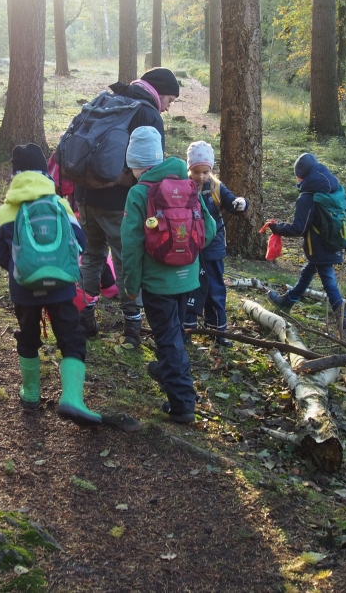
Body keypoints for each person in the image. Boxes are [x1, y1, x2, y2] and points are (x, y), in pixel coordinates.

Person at [0, 144, 102, 427]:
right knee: (71, 338)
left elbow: (1, 255)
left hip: (23, 291)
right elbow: (82, 243)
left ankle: (30, 394)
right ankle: (72, 399)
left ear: (15, 174)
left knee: (28, 337)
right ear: (45, 172)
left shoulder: (6, 210)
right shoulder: (60, 204)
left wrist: (22, 271)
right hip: (62, 288)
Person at [75, 67, 181, 346]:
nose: (168, 108)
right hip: (118, 201)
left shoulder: (113, 99)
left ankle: (85, 317)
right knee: (125, 260)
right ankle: (132, 327)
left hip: (85, 194)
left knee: (92, 255)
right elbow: (152, 168)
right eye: (171, 99)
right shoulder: (148, 114)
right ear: (160, 91)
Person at [121, 127, 215, 424]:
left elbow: (131, 244)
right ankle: (167, 371)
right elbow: (210, 231)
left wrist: (130, 284)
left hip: (157, 283)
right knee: (174, 332)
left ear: (136, 164)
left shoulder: (139, 192)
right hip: (188, 279)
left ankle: (182, 403)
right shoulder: (187, 184)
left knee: (168, 338)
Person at [267, 153, 346, 336]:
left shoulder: (308, 196)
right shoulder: (333, 189)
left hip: (321, 248)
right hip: (334, 243)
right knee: (307, 272)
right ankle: (287, 301)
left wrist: (276, 228)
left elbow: (299, 228)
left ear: (300, 175)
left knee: (330, 285)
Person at [182, 141, 247, 347]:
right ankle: (187, 326)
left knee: (215, 287)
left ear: (211, 169)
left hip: (213, 246)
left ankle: (218, 329)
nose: (200, 176)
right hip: (189, 247)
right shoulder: (182, 185)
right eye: (196, 171)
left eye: (205, 171)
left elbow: (232, 202)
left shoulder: (216, 187)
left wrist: (241, 203)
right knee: (189, 288)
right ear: (189, 168)